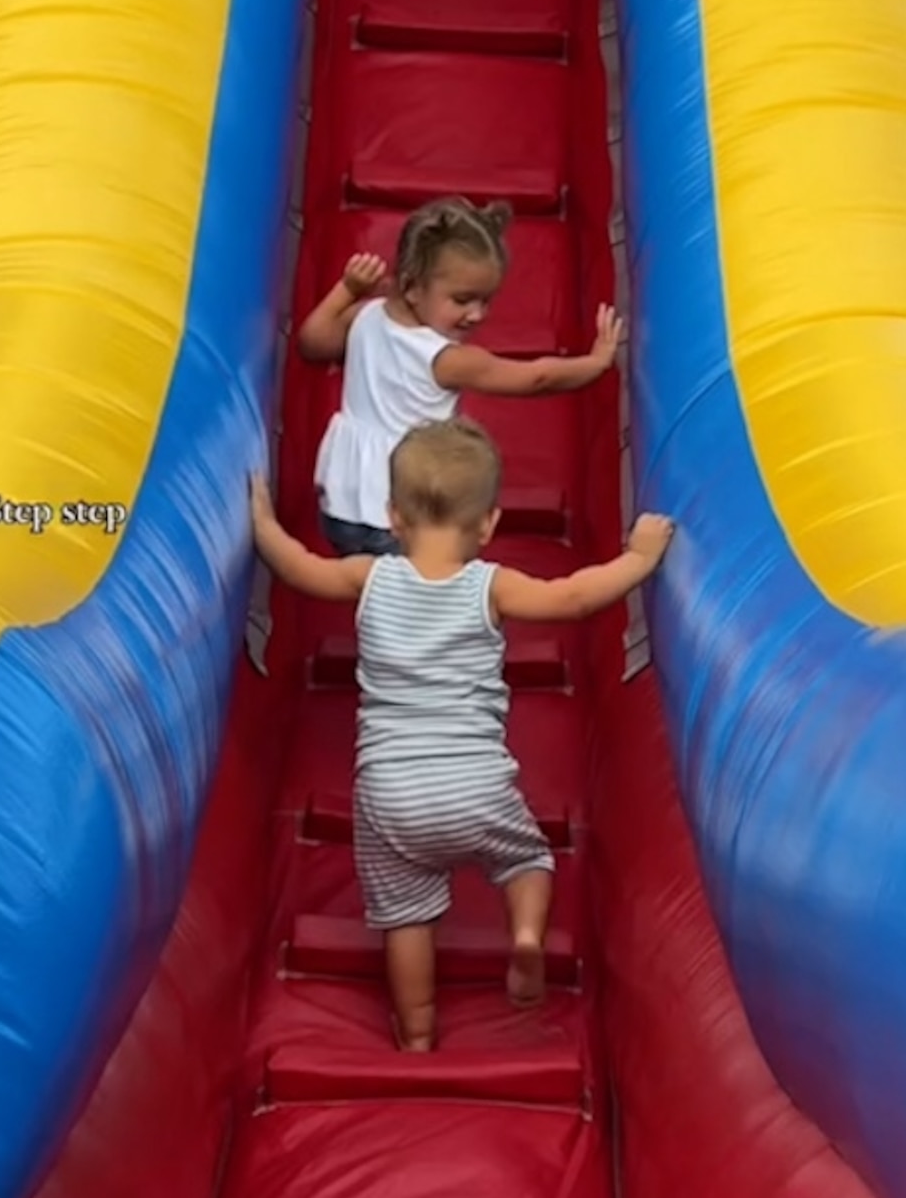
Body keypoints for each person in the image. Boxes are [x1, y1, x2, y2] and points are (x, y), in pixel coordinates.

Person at [250, 417, 673, 1052]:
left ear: (393, 516)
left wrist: (261, 523)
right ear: (490, 524)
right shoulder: (490, 586)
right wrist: (639, 557)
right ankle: (525, 934)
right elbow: (573, 597)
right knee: (526, 859)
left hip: (389, 790)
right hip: (474, 783)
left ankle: (416, 1034)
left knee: (406, 916)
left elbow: (299, 567)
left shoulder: (369, 577)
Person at [297, 195, 622, 558]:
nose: (477, 314)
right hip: (403, 511)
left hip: (341, 503)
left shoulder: (365, 315)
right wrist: (594, 363)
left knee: (374, 590)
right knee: (422, 593)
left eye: (486, 301)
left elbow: (312, 341)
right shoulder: (443, 358)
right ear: (411, 287)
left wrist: (347, 290)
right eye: (463, 300)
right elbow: (535, 378)